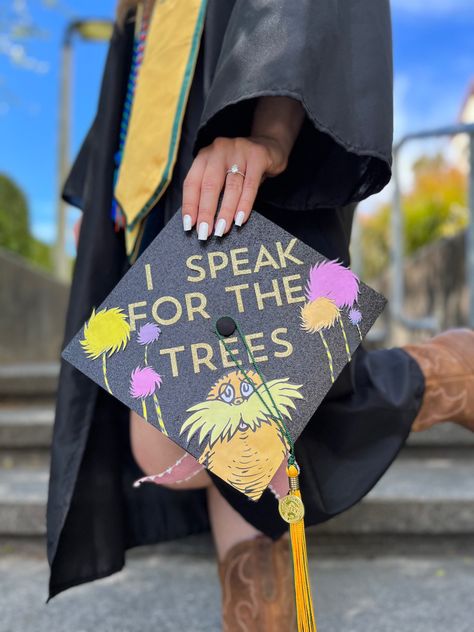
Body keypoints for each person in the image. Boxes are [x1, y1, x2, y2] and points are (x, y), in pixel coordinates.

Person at [47, 1, 474, 630]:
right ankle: (448, 371)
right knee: (230, 438)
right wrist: (111, 181)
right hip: (162, 194)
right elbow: (139, 75)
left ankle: (446, 372)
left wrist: (273, 130)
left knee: (206, 429)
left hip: (243, 163)